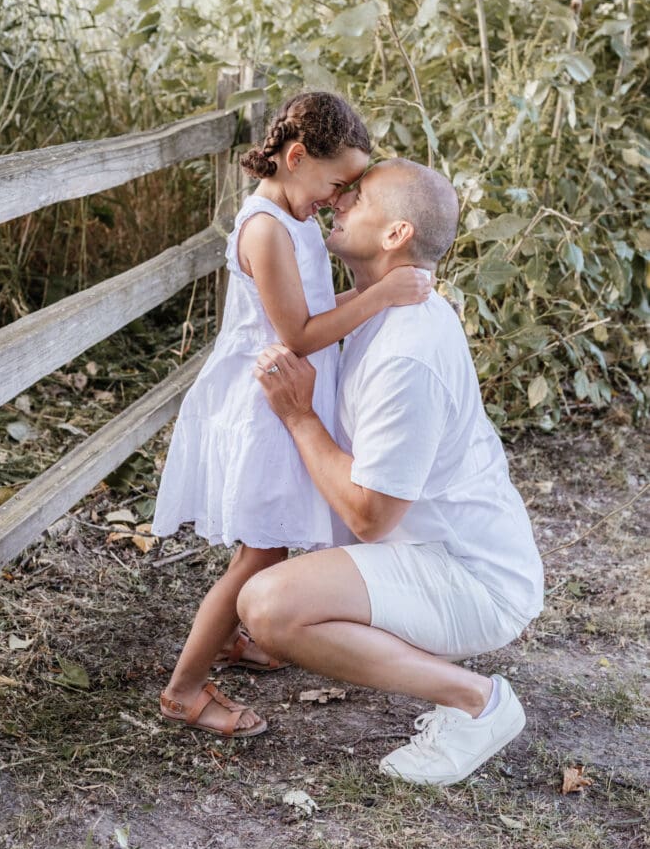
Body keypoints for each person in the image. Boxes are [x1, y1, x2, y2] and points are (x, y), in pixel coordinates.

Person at [240, 157, 544, 784]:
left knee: (269, 607)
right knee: (270, 603)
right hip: (442, 553)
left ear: (395, 234)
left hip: (472, 578)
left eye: (358, 197)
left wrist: (300, 418)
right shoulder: (382, 307)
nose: (339, 201)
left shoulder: (408, 351)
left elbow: (370, 517)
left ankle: (477, 703)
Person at [152, 95, 432, 738]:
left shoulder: (297, 217)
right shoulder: (264, 228)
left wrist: (364, 294)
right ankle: (184, 691)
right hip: (264, 403)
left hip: (285, 392)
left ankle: (235, 638)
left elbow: (310, 307)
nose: (338, 199)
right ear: (297, 158)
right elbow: (300, 333)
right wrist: (380, 295)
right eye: (337, 184)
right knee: (261, 551)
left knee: (270, 545)